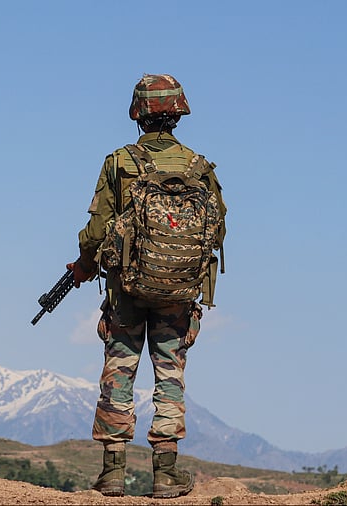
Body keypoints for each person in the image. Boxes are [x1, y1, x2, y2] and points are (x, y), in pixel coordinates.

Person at [66, 74, 226, 498]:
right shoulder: (199, 167)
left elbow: (98, 228)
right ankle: (166, 474)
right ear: (178, 112)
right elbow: (218, 233)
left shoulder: (121, 162)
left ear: (137, 112)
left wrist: (83, 265)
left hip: (125, 289)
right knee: (169, 374)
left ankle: (113, 474)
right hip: (179, 292)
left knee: (119, 370)